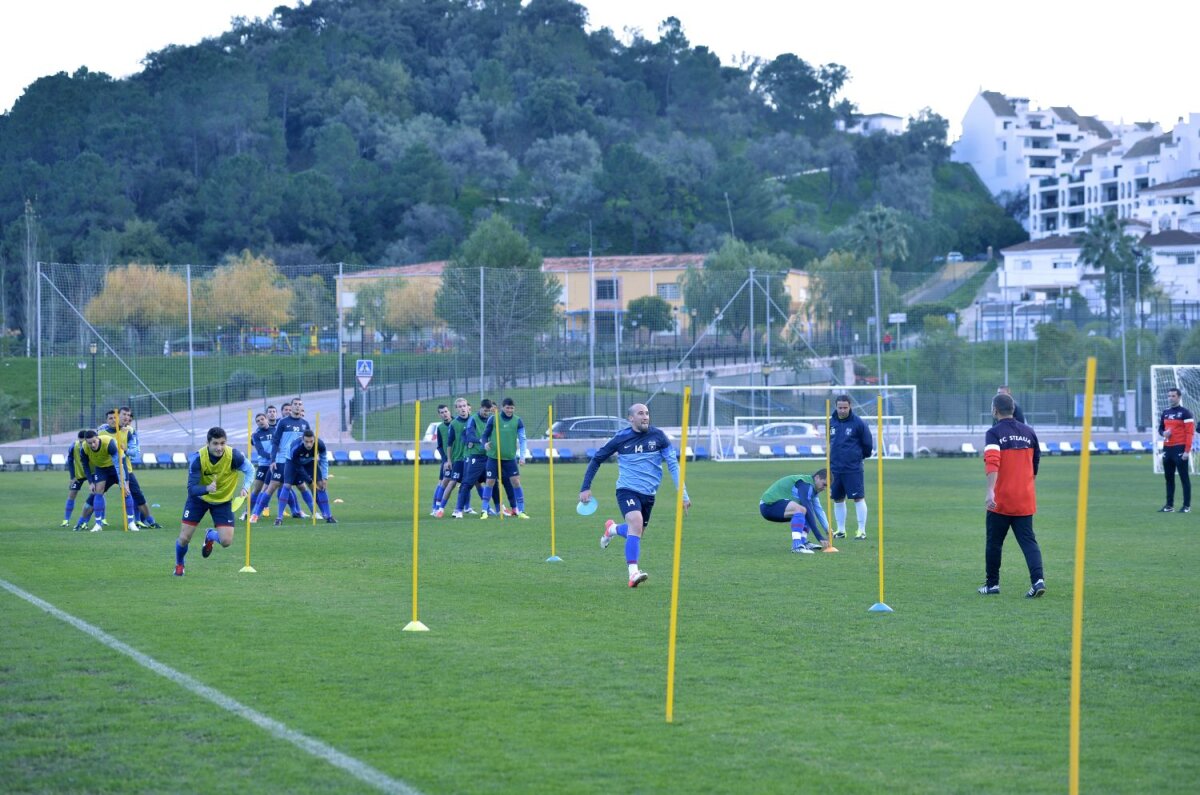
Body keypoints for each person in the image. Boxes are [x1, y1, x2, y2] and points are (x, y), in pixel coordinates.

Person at [579, 403, 691, 588]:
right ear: (631, 418)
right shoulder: (621, 438)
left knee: (636, 531)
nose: (645, 416)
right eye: (641, 413)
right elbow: (597, 458)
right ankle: (633, 574)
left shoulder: (659, 437)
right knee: (636, 523)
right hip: (626, 490)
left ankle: (612, 529)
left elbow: (673, 464)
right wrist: (585, 487)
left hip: (649, 494)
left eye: (647, 413)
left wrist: (683, 495)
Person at [979, 392, 1045, 598]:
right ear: (1013, 410)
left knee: (994, 542)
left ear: (995, 410)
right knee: (1028, 541)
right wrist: (1026, 483)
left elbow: (992, 461)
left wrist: (990, 490)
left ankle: (992, 585)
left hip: (1002, 499)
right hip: (1025, 498)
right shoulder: (1029, 432)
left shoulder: (994, 433)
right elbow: (1036, 462)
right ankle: (1038, 581)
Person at [174, 426, 254, 577]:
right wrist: (207, 488)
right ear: (208, 443)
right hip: (199, 499)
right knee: (184, 538)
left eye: (222, 443)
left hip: (223, 500)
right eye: (215, 444)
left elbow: (250, 470)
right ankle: (179, 563)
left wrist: (246, 487)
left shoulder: (234, 456)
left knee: (226, 541)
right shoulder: (198, 459)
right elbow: (191, 488)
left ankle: (211, 535)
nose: (219, 447)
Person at [250, 398, 310, 523]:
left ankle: (305, 512)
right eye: (295, 405)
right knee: (270, 487)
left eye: (300, 405)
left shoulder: (303, 423)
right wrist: (273, 459)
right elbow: (274, 442)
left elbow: (308, 441)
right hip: (280, 460)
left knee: (301, 486)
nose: (297, 407)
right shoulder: (282, 423)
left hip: (295, 461)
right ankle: (254, 513)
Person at [828, 395, 874, 541]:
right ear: (836, 407)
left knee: (858, 498)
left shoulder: (859, 423)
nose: (842, 410)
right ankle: (841, 530)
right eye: (840, 407)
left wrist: (859, 457)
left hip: (853, 468)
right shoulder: (831, 422)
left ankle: (861, 531)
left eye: (845, 407)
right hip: (835, 468)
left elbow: (868, 444)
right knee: (837, 499)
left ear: (850, 407)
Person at [759, 469, 832, 553]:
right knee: (802, 510)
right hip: (768, 505)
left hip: (777, 506)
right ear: (817, 478)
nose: (824, 488)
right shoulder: (805, 485)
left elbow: (818, 510)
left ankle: (803, 542)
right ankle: (796, 546)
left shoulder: (813, 489)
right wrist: (819, 537)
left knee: (806, 512)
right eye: (824, 484)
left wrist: (827, 528)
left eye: (827, 486)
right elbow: (807, 509)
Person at [480, 397, 530, 519]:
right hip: (493, 457)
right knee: (490, 482)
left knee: (516, 482)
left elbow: (523, 439)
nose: (509, 410)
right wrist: (485, 444)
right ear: (503, 407)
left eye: (512, 408)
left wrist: (522, 456)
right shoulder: (493, 418)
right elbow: (484, 435)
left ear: (514, 408)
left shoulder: (518, 421)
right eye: (507, 408)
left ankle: (521, 511)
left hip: (510, 458)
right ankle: (484, 511)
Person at [78, 429, 127, 533]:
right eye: (89, 443)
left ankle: (132, 522)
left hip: (115, 467)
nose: (92, 445)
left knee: (128, 491)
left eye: (94, 442)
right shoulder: (84, 448)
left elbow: (118, 463)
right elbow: (85, 465)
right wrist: (91, 482)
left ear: (98, 438)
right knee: (96, 493)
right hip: (101, 469)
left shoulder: (109, 443)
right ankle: (97, 524)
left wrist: (123, 481)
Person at [285, 429, 337, 523]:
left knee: (321, 486)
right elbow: (298, 466)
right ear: (302, 440)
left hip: (310, 462)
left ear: (314, 440)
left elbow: (324, 460)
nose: (309, 444)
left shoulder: (320, 444)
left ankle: (328, 515)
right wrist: (309, 480)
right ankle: (280, 517)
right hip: (295, 464)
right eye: (306, 442)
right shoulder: (296, 448)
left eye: (311, 442)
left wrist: (325, 477)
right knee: (288, 485)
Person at [453, 399, 494, 518]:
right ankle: (457, 509)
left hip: (488, 456)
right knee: (466, 483)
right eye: (460, 406)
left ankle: (495, 508)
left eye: (489, 411)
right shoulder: (472, 420)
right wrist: (478, 441)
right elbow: (465, 436)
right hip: (472, 457)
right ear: (480, 408)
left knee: (492, 482)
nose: (487, 413)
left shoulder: (491, 419)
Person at [1157, 387, 1194, 513]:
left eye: (1173, 396)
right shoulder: (1165, 412)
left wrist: (1187, 451)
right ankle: (1169, 506)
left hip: (1180, 447)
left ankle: (1186, 506)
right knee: (1169, 478)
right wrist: (1164, 433)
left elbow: (1190, 433)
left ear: (1179, 397)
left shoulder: (1186, 413)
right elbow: (1160, 429)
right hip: (1167, 448)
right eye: (1169, 396)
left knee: (1184, 478)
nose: (1170, 398)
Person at [245, 412, 274, 520]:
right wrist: (273, 457)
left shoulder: (275, 431)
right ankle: (247, 512)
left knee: (284, 487)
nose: (260, 422)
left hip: (276, 463)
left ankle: (297, 511)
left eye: (262, 419)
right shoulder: (256, 435)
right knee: (257, 489)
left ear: (266, 419)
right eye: (257, 421)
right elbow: (261, 452)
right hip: (264, 465)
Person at [61, 430, 90, 528]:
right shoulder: (74, 446)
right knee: (72, 494)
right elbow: (70, 460)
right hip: (79, 475)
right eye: (80, 442)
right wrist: (72, 477)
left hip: (92, 473)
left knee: (98, 494)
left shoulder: (92, 445)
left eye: (84, 442)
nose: (82, 444)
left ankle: (102, 519)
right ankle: (66, 520)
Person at [430, 404, 455, 516]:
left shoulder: (457, 422)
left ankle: (467, 507)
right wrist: (445, 460)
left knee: (472, 482)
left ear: (449, 411)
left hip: (461, 458)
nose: (444, 414)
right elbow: (439, 446)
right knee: (443, 482)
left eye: (446, 411)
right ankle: (435, 507)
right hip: (447, 460)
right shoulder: (440, 428)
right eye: (442, 412)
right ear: (439, 415)